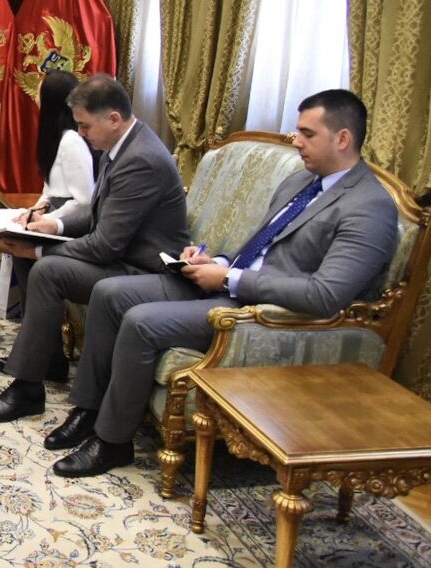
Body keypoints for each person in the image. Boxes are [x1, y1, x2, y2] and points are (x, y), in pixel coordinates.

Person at [46, 89, 399, 478]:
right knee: (109, 293)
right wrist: (216, 260)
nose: (296, 141)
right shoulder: (302, 181)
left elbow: (324, 295)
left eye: (307, 134)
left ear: (343, 138)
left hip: (258, 313)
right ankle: (89, 409)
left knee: (141, 322)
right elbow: (260, 245)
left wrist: (231, 278)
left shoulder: (369, 207)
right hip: (225, 284)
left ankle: (113, 442)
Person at [0, 73, 189, 424]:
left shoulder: (141, 159)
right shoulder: (121, 145)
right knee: (29, 248)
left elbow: (105, 245)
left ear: (113, 119)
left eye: (85, 126)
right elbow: (97, 211)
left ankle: (26, 389)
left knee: (46, 268)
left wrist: (39, 251)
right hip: (121, 254)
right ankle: (49, 359)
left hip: (141, 270)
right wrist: (51, 227)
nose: (81, 134)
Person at [0, 69, 95, 342]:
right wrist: (33, 211)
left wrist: (47, 220)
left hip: (65, 228)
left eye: (40, 89)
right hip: (48, 219)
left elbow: (84, 201)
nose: (35, 94)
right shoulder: (56, 137)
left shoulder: (72, 141)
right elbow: (50, 191)